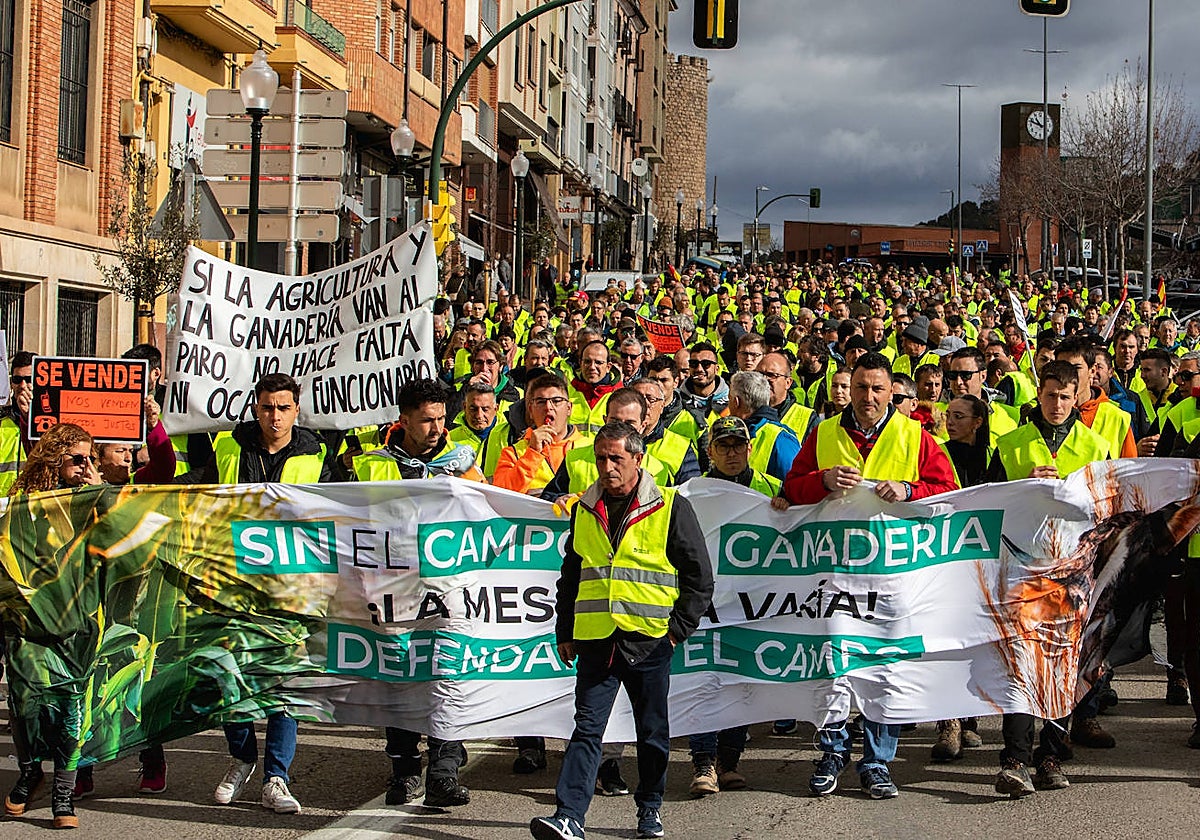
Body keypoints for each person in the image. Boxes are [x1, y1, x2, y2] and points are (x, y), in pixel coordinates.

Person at [776, 352, 957, 799]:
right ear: (849, 389)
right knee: (833, 666)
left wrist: (909, 489)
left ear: (890, 393)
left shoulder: (913, 434)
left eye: (878, 389)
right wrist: (821, 480)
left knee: (883, 668)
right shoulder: (822, 433)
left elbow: (950, 491)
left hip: (891, 578)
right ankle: (832, 751)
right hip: (834, 576)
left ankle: (877, 762)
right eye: (861, 388)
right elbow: (791, 490)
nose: (869, 397)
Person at [529, 422, 713, 840]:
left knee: (652, 734)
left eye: (616, 458)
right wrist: (564, 629)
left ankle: (649, 809)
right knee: (587, 729)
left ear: (638, 460)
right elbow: (571, 575)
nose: (607, 467)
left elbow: (699, 576)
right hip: (596, 639)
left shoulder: (670, 506)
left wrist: (676, 630)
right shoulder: (584, 508)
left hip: (648, 642)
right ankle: (569, 816)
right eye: (600, 458)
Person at [178, 373, 334, 814]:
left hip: (291, 585)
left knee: (283, 684)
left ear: (296, 409)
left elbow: (339, 510)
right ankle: (242, 758)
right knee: (231, 676)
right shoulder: (228, 446)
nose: (275, 416)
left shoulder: (315, 452)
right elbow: (197, 491)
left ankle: (276, 779)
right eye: (267, 407)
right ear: (255, 407)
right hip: (231, 581)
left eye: (283, 407)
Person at [986, 360, 1112, 797]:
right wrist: (1024, 486)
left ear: (1079, 395)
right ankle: (1015, 758)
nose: (1057, 404)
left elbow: (1108, 510)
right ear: (1038, 394)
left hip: (1073, 572)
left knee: (1063, 664)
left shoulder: (1097, 445)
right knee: (1020, 664)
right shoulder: (1010, 442)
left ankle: (1051, 754)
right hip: (1021, 569)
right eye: (1049, 395)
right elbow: (990, 501)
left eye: (1065, 396)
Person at [351, 378, 478, 807]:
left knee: (447, 676)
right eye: (427, 420)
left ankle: (443, 770)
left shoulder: (462, 461)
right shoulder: (372, 465)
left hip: (449, 589)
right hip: (392, 589)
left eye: (442, 418)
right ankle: (404, 771)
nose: (438, 427)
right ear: (403, 420)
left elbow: (491, 509)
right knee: (400, 677)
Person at [4, 423, 102, 829]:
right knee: (25, 704)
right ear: (53, 459)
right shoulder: (21, 503)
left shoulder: (96, 499)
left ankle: (64, 795)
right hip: (27, 621)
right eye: (76, 459)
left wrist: (100, 489)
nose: (84, 466)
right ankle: (30, 772)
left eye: (90, 459)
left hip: (78, 619)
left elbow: (118, 539)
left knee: (71, 708)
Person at [686, 417, 775, 797]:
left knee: (740, 683)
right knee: (703, 682)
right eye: (723, 446)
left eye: (738, 445)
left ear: (750, 448)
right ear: (710, 452)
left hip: (754, 605)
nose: (732, 453)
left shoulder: (771, 488)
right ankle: (703, 763)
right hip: (707, 604)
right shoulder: (692, 492)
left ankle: (730, 760)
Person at [725, 370, 801, 483]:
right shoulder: (781, 438)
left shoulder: (781, 439)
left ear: (736, 402)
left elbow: (796, 486)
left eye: (729, 398)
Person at [0, 350, 34, 493]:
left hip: (36, 505)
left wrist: (28, 418)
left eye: (29, 379)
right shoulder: (2, 420)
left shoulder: (52, 423)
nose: (23, 385)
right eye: (17, 379)